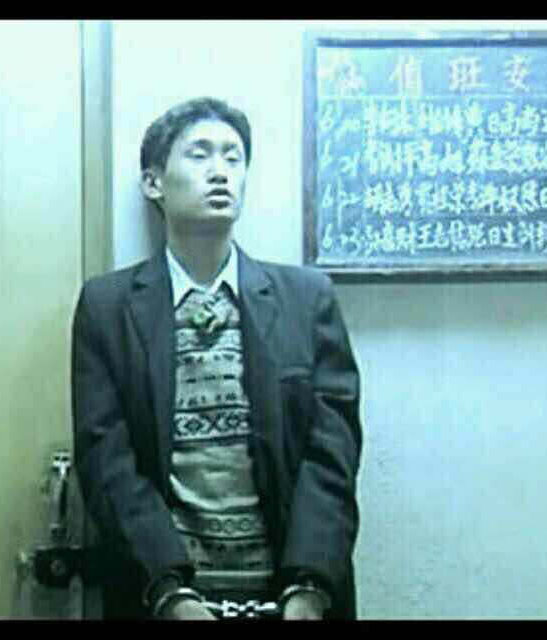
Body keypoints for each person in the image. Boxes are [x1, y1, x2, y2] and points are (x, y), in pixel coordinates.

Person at [71, 97, 362, 620]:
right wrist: (169, 592)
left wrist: (310, 585)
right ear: (154, 183)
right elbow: (105, 458)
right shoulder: (107, 307)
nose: (221, 171)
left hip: (292, 597)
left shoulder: (306, 298)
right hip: (161, 596)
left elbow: (333, 454)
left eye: (233, 157)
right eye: (200, 154)